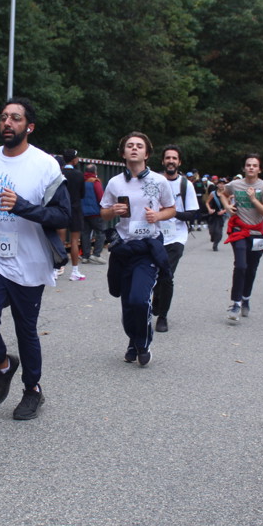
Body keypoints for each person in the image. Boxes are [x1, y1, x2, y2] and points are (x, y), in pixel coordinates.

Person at [0, 98, 69, 420]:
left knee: (26, 330)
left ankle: (32, 389)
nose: (8, 123)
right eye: (3, 117)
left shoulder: (45, 165)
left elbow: (63, 214)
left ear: (30, 126)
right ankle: (3, 364)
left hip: (30, 261)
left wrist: (23, 207)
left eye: (15, 118)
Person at [100, 133, 174, 364]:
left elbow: (171, 209)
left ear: (147, 153)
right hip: (123, 248)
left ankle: (142, 343)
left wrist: (158, 215)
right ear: (123, 153)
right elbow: (103, 213)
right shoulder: (115, 183)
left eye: (139, 146)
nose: (134, 149)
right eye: (129, 146)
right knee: (127, 303)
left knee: (139, 300)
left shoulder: (159, 181)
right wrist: (113, 211)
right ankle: (133, 340)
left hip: (147, 248)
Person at [222, 155, 263, 320]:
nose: (251, 167)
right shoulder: (235, 184)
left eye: (254, 165)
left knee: (251, 268)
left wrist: (253, 199)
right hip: (239, 230)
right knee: (241, 266)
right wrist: (227, 206)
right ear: (244, 168)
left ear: (260, 169)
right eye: (248, 165)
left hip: (256, 233)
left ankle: (246, 299)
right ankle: (236, 303)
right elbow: (223, 193)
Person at [152, 144, 198, 333]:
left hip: (176, 237)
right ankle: (156, 297)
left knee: (167, 276)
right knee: (154, 274)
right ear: (163, 161)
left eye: (174, 158)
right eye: (168, 158)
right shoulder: (153, 181)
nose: (171, 161)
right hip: (154, 234)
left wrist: (171, 212)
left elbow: (192, 214)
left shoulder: (186, 185)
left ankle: (162, 317)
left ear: (179, 162)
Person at [61, 149, 86, 281]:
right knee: (74, 241)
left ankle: (56, 269)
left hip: (61, 209)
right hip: (75, 209)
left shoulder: (59, 173)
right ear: (74, 160)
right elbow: (82, 194)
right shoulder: (79, 175)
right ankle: (75, 271)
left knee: (59, 240)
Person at [80, 164, 107, 264]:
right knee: (101, 233)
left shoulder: (81, 182)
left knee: (85, 234)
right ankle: (96, 255)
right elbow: (101, 197)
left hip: (83, 213)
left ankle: (85, 256)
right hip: (95, 213)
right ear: (95, 172)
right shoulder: (95, 182)